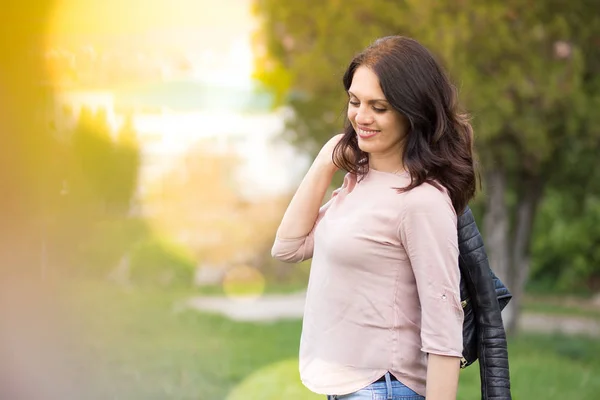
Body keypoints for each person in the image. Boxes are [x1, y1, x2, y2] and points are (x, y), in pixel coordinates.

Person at [271, 36, 477, 400]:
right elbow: (289, 247)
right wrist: (326, 159)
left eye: (379, 107)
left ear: (413, 111)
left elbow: (444, 326)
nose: (361, 117)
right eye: (355, 102)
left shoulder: (422, 200)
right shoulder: (360, 182)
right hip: (348, 387)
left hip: (385, 387)